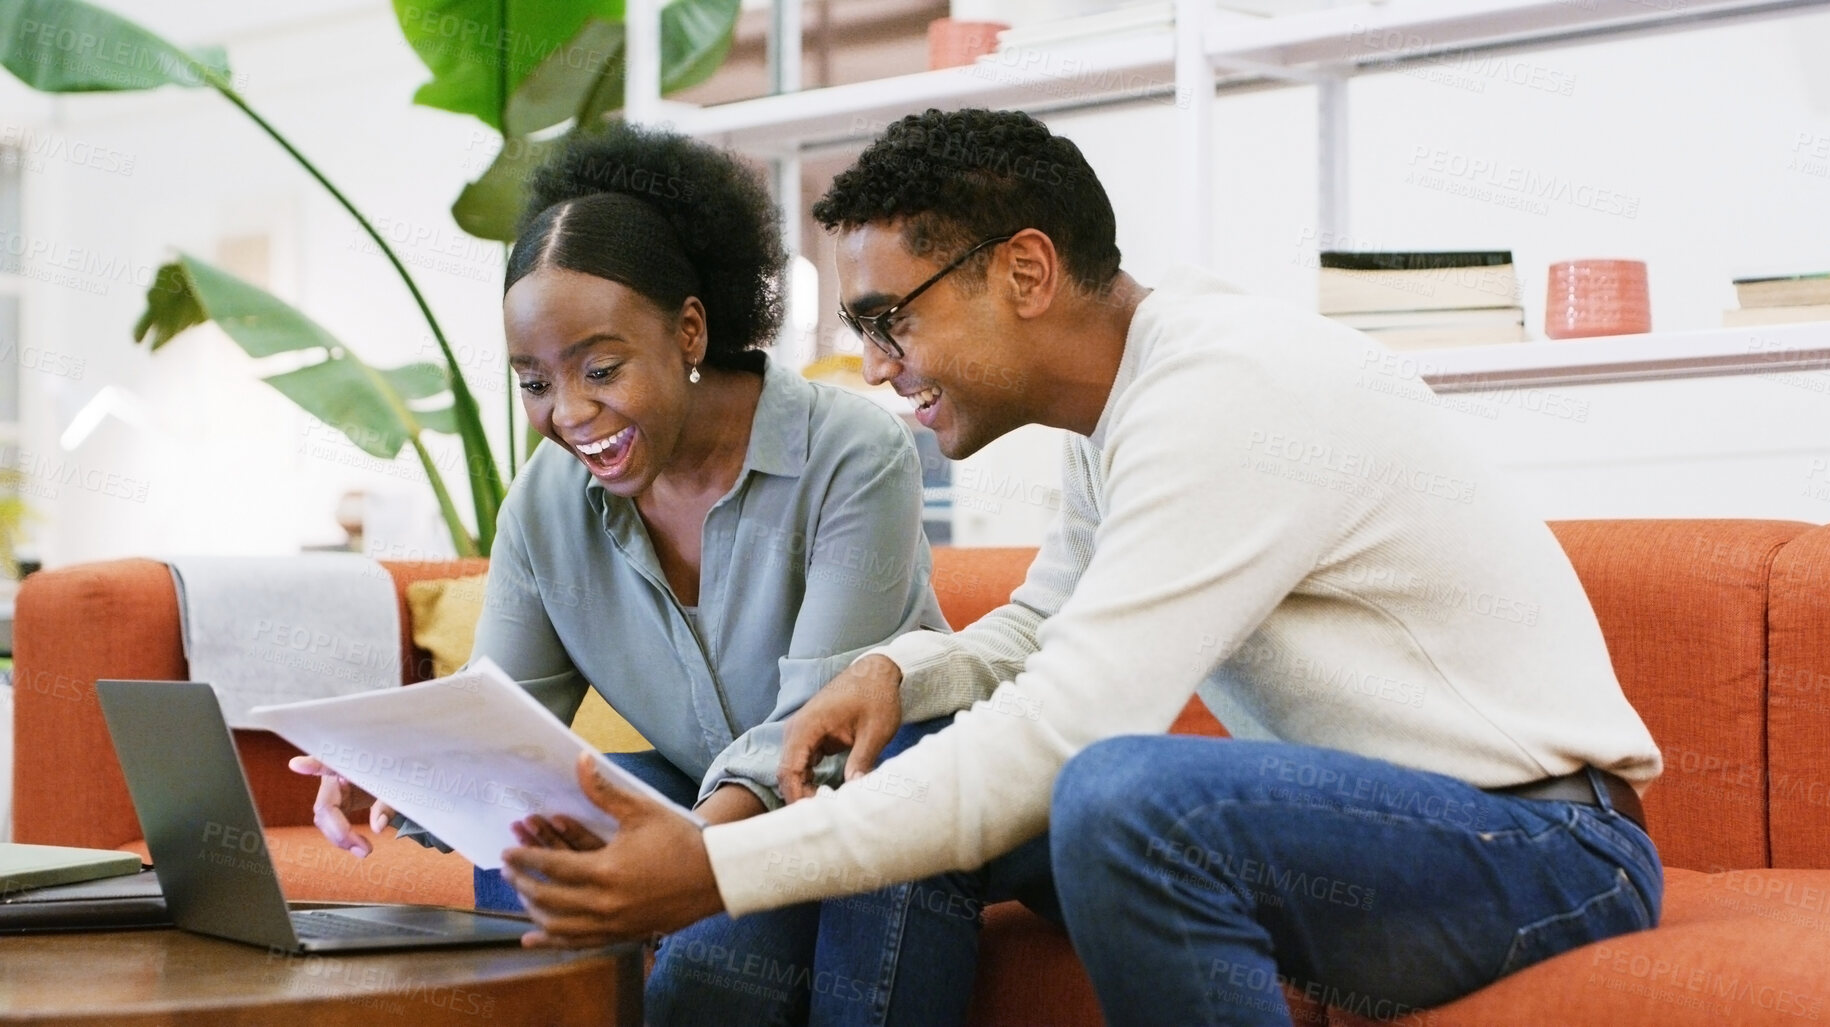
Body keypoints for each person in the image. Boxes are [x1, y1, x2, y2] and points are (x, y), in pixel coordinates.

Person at [498, 108, 1665, 1027]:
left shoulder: (1226, 393)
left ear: (1025, 270)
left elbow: (1064, 732)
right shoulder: (1124, 404)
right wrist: (907, 674)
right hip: (1367, 839)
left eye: (889, 318)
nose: (874, 363)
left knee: (1119, 793)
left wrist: (718, 867)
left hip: (1542, 852)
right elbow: (1041, 630)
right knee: (887, 760)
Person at [290, 124, 948, 1025]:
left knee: (710, 967)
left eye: (600, 368)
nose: (567, 414)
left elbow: (810, 737)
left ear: (688, 327)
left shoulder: (851, 452)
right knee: (539, 821)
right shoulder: (544, 506)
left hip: (860, 791)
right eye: (533, 381)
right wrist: (402, 771)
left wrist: (689, 862)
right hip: (704, 789)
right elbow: (502, 725)